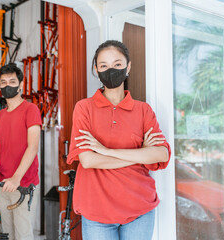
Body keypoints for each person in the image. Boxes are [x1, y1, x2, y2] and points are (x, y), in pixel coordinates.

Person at [67, 40, 171, 240]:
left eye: (117, 64)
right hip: (97, 211)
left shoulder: (143, 110)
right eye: (104, 65)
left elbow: (162, 153)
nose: (110, 70)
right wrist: (141, 154)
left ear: (128, 66)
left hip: (140, 209)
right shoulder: (84, 108)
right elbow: (88, 160)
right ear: (96, 70)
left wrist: (106, 151)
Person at [0, 63, 41, 240]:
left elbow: (33, 147)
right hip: (4, 185)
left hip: (24, 185)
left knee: (23, 236)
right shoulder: (0, 115)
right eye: (4, 82)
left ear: (21, 85)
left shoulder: (30, 110)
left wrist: (17, 177)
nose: (8, 85)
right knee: (7, 235)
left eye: (12, 81)